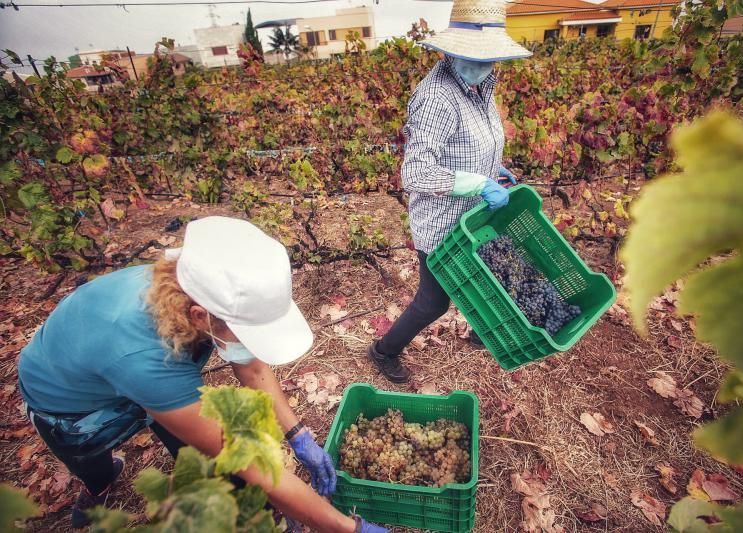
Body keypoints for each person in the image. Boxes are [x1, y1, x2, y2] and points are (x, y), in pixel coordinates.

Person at [18, 216, 386, 533]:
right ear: (199, 317)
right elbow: (251, 464)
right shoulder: (149, 360)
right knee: (94, 463)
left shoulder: (192, 289)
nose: (251, 343)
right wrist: (347, 527)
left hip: (129, 368)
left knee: (213, 460)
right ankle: (97, 484)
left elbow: (251, 364)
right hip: (69, 403)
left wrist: (298, 435)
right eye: (248, 332)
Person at [368, 0, 532, 383]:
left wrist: (492, 169)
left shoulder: (480, 85)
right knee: (433, 302)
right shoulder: (436, 98)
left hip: (474, 213)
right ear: (448, 51)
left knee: (490, 271)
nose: (481, 63)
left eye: (489, 57)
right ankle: (382, 350)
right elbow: (417, 173)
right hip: (443, 222)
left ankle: (482, 329)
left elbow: (471, 142)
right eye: (472, 56)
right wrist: (478, 182)